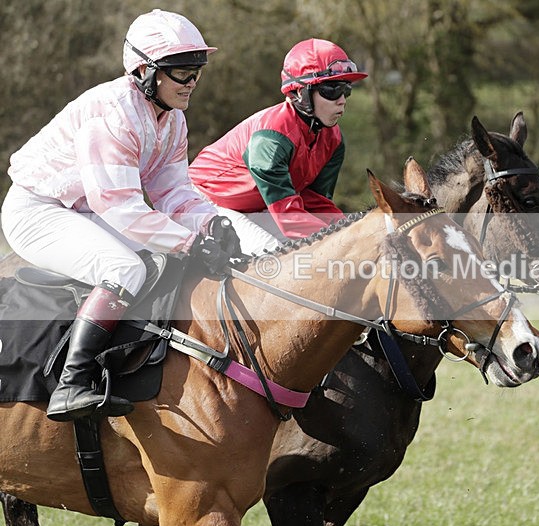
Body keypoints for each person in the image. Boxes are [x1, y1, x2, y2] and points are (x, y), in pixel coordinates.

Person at [0, 9, 240, 422]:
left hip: (84, 210)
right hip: (38, 211)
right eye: (183, 72)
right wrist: (190, 242)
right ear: (146, 72)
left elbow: (174, 193)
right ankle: (71, 383)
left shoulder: (173, 120)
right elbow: (121, 207)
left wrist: (211, 223)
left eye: (197, 70)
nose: (193, 82)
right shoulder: (112, 114)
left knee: (167, 260)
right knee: (125, 268)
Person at [189, 38, 368, 254]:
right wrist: (345, 244)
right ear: (299, 92)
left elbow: (316, 204)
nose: (342, 100)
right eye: (332, 90)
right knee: (275, 254)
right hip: (203, 200)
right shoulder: (271, 139)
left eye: (346, 90)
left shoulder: (334, 140)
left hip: (254, 205)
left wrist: (357, 233)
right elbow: (290, 219)